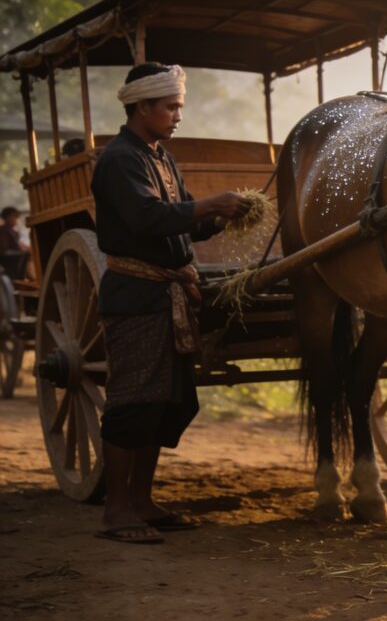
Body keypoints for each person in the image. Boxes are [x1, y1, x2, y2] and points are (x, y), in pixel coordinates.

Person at [91, 62, 251, 544]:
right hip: (139, 296)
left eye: (179, 105)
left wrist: (226, 215)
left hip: (171, 293)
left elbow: (187, 222)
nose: (179, 115)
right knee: (134, 402)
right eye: (171, 106)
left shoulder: (160, 155)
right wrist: (208, 205)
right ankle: (116, 509)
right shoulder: (120, 159)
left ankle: (143, 500)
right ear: (142, 106)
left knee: (167, 403)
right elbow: (146, 218)